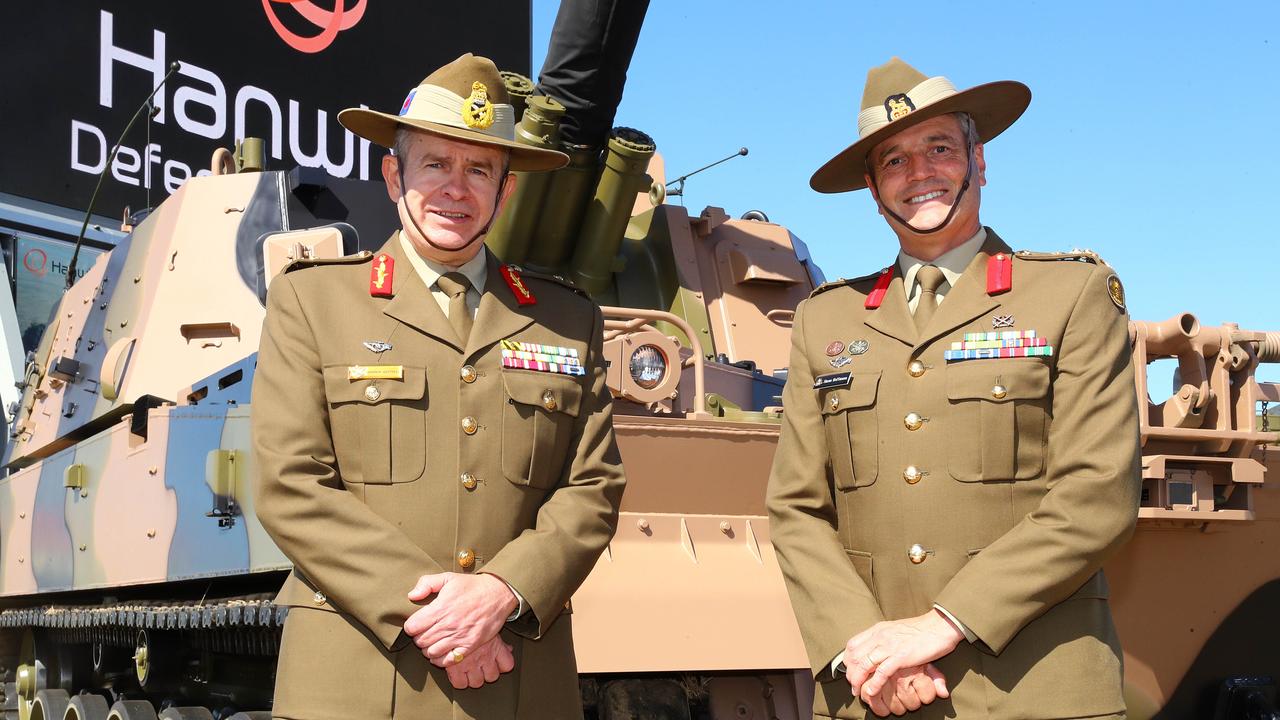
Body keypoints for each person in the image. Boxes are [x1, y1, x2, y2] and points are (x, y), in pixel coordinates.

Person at [252, 53, 625, 719]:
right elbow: (291, 486)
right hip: (354, 683)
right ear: (395, 174)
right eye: (435, 163)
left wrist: (503, 591)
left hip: (520, 683)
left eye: (479, 169)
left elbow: (592, 488)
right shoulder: (314, 302)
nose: (457, 188)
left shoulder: (567, 320)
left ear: (505, 190)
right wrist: (440, 615)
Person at [766, 57, 1140, 719]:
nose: (920, 174)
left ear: (979, 159)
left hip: (1036, 692)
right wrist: (866, 647)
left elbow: (1096, 493)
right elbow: (797, 509)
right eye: (894, 160)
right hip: (872, 694)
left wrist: (942, 623)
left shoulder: (1070, 294)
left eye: (939, 147)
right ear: (872, 187)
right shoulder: (825, 319)